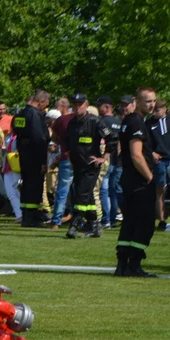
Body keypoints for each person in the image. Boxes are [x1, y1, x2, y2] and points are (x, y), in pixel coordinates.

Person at [115, 87, 158, 277]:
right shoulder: (137, 123)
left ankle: (122, 264)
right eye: (148, 101)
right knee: (145, 223)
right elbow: (136, 154)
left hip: (129, 180)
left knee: (130, 222)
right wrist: (149, 176)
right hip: (139, 182)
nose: (152, 104)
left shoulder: (129, 121)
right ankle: (134, 264)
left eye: (153, 101)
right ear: (137, 102)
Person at [62, 92, 111, 239]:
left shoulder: (95, 122)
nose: (77, 107)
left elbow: (111, 138)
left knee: (81, 196)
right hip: (77, 165)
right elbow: (68, 142)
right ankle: (94, 225)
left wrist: (104, 157)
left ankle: (75, 225)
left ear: (86, 105)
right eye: (75, 104)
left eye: (80, 104)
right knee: (87, 197)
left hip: (91, 166)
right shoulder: (72, 123)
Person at [14, 90, 51, 227]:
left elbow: (17, 133)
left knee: (26, 186)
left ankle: (26, 216)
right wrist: (42, 160)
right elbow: (39, 139)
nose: (45, 107)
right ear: (41, 101)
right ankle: (32, 217)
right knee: (34, 187)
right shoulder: (35, 115)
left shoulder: (21, 114)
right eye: (46, 104)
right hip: (35, 156)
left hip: (24, 154)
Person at [96, 96, 121, 228]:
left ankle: (105, 219)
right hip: (117, 160)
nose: (98, 108)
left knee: (103, 190)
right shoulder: (118, 122)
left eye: (99, 105)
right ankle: (112, 218)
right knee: (113, 191)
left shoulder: (102, 121)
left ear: (106, 107)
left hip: (106, 159)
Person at [148, 99, 170, 229]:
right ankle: (162, 220)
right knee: (160, 189)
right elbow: (145, 141)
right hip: (159, 160)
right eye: (153, 110)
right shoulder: (149, 123)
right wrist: (151, 153)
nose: (154, 113)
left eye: (157, 110)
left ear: (164, 109)